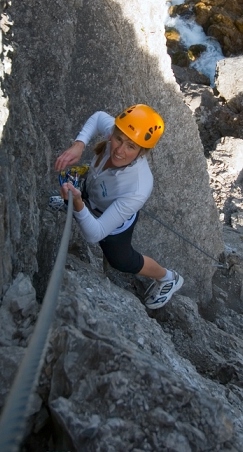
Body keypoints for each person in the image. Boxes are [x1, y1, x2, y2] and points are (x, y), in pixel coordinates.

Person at [53, 104, 183, 310]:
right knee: (87, 190)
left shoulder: (138, 188)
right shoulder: (118, 130)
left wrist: (76, 204)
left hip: (112, 219)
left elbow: (95, 235)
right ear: (113, 133)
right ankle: (74, 201)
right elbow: (97, 117)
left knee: (121, 261)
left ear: (142, 152)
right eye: (118, 139)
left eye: (131, 147)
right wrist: (79, 144)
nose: (119, 151)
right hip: (95, 190)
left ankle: (169, 278)